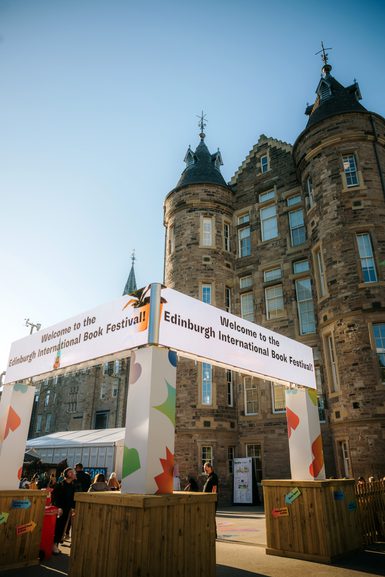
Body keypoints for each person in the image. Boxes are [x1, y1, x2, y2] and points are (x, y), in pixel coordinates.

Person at [51, 467, 77, 555]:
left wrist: (73, 508)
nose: (73, 474)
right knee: (58, 527)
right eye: (70, 472)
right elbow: (54, 497)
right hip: (60, 509)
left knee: (63, 528)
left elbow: (74, 498)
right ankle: (54, 545)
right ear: (66, 474)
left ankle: (56, 545)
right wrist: (58, 507)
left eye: (73, 472)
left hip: (68, 510)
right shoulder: (60, 485)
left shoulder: (74, 486)